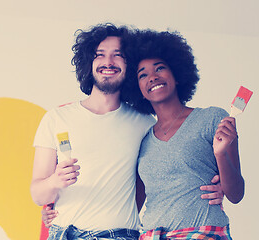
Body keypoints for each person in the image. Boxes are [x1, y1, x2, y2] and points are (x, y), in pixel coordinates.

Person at [31, 24, 224, 240]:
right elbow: (38, 194)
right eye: (100, 55)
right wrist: (55, 181)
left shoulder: (144, 124)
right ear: (89, 63)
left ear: (129, 65)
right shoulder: (56, 118)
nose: (108, 62)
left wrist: (219, 186)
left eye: (118, 55)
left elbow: (168, 170)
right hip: (62, 233)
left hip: (117, 235)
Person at [124, 29, 245, 239]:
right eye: (143, 75)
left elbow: (236, 194)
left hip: (202, 232)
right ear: (138, 89)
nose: (152, 77)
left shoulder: (213, 118)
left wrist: (220, 154)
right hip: (151, 234)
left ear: (177, 76)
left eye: (160, 68)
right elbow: (131, 202)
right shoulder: (141, 137)